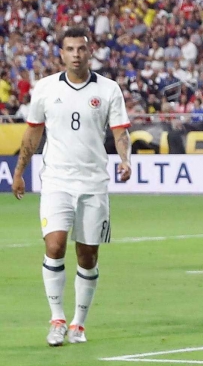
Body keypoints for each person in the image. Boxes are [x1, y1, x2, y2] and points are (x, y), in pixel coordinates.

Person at [11, 26, 132, 347]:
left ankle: (79, 323)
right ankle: (57, 319)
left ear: (89, 52)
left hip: (93, 183)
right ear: (61, 54)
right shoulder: (46, 88)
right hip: (56, 181)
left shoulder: (108, 90)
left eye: (81, 48)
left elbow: (120, 131)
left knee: (88, 254)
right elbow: (33, 133)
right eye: (70, 49)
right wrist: (20, 170)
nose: (76, 54)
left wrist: (125, 159)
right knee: (54, 246)